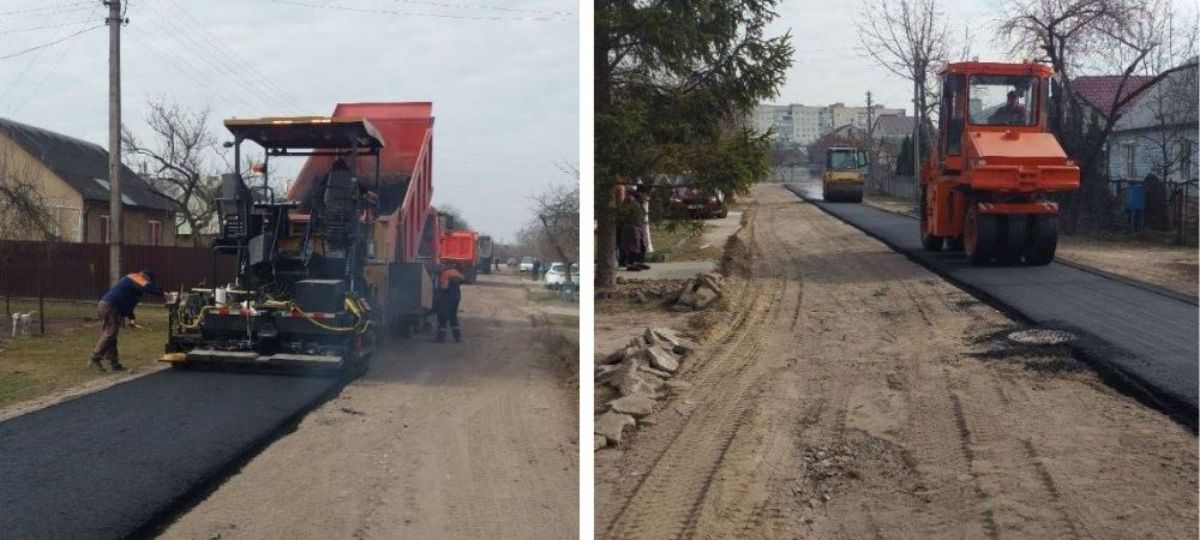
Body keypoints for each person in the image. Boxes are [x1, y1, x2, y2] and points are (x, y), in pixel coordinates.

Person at [89, 269, 163, 372]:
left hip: (109, 306)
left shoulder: (134, 286)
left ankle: (114, 363)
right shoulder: (135, 277)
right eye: (148, 281)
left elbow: (129, 304)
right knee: (110, 334)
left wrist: (132, 319)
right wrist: (164, 294)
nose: (147, 283)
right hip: (110, 306)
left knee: (112, 336)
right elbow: (148, 287)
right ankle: (95, 358)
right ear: (145, 277)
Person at [433, 264, 466, 343]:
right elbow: (463, 279)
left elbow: (444, 287)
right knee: (453, 316)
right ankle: (457, 337)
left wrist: (438, 291)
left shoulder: (445, 273)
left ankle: (441, 337)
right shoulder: (455, 272)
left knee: (443, 316)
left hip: (447, 298)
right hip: (456, 298)